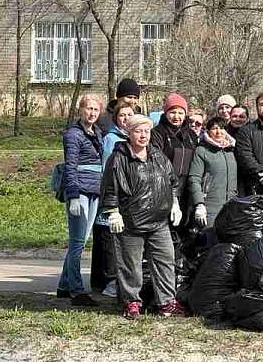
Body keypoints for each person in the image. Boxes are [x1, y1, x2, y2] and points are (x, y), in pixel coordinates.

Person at [101, 114, 184, 320]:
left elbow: (172, 181)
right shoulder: (119, 158)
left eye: (146, 131)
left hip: (159, 222)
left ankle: (167, 302)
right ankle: (131, 302)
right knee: (131, 265)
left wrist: (174, 203)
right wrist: (113, 212)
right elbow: (110, 188)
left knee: (165, 261)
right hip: (131, 222)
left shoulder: (158, 156)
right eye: (138, 131)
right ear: (129, 133)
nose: (143, 135)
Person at [57, 94, 104, 306]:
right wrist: (74, 195)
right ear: (81, 110)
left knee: (83, 240)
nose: (92, 113)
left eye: (96, 109)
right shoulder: (73, 134)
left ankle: (63, 285)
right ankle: (76, 290)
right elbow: (70, 166)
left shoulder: (97, 132)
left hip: (94, 190)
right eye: (89, 108)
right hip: (80, 191)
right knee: (77, 242)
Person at [91, 101, 137, 298]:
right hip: (115, 193)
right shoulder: (112, 139)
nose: (126, 118)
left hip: (131, 196)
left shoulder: (134, 136)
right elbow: (108, 169)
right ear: (116, 119)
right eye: (122, 115)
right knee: (110, 238)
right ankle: (110, 281)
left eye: (129, 115)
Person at [187, 117, 238, 227]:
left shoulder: (232, 150)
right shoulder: (202, 150)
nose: (219, 132)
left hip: (231, 206)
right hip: (210, 207)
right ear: (208, 131)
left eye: (222, 128)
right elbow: (194, 178)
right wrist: (199, 203)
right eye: (214, 128)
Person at [151, 93, 198, 210]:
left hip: (187, 189)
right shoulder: (158, 133)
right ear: (166, 113)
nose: (176, 116)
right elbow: (156, 161)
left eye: (180, 113)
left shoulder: (191, 135)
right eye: (172, 112)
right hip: (165, 188)